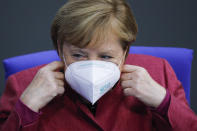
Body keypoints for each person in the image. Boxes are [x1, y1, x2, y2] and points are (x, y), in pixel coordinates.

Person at [0, 0, 197, 130]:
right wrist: (27, 107)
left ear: (125, 51)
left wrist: (162, 102)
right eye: (78, 55)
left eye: (105, 57)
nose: (92, 68)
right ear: (59, 49)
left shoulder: (159, 73)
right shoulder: (23, 84)